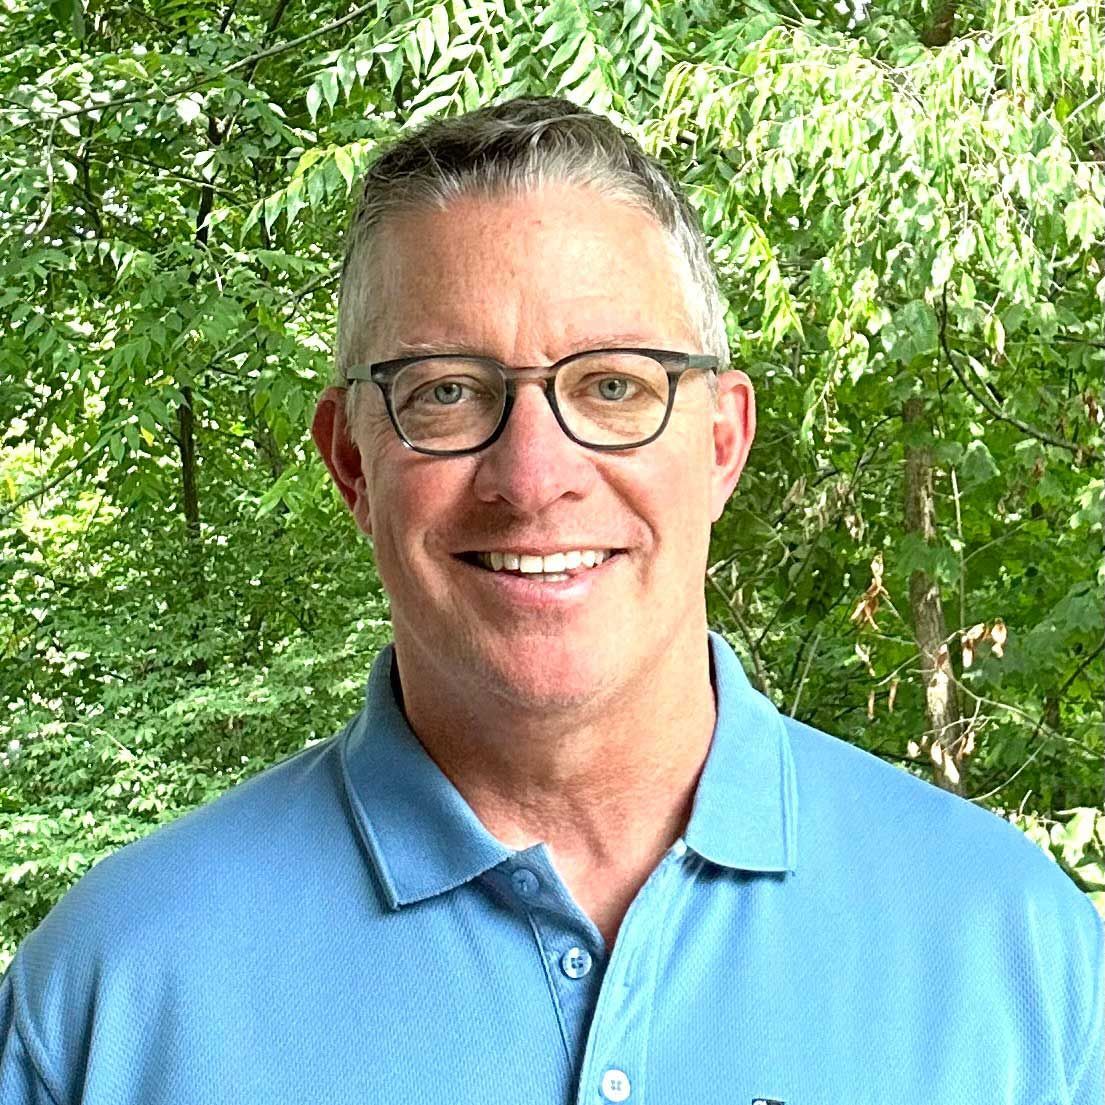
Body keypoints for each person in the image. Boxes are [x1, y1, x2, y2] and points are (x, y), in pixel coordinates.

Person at [1, 97, 1100, 1105]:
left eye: (612, 385)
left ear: (721, 443)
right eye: (445, 392)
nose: (533, 479)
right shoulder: (115, 996)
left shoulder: (1015, 948)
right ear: (350, 463)